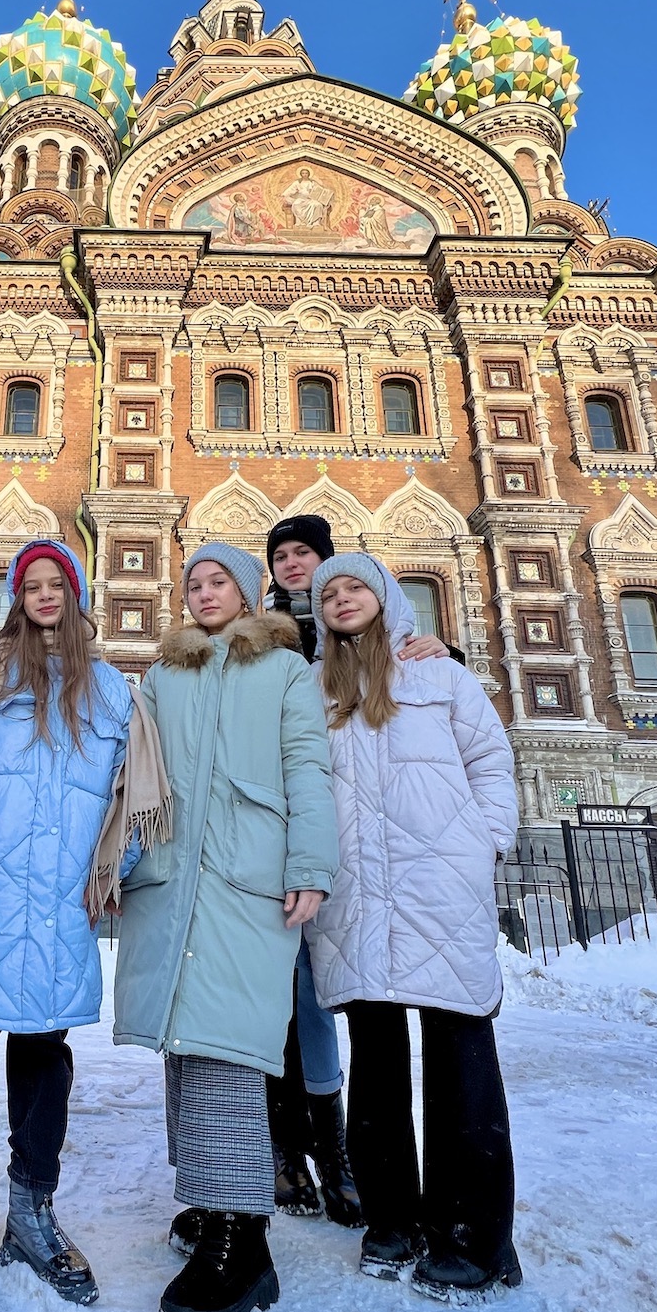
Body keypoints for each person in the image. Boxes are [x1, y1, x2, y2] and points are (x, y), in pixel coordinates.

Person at [0, 539, 170, 1305]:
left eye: (54, 582)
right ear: (16, 597)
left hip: (63, 891)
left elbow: (139, 792)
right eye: (28, 584)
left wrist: (113, 872)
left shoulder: (108, 689)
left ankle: (32, 1205)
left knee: (43, 1049)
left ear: (75, 591)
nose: (41, 594)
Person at [114, 542, 337, 1312]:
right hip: (173, 878)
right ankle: (212, 1204)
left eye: (220, 582)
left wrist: (311, 862)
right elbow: (131, 771)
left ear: (248, 596)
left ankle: (244, 1238)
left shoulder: (281, 672)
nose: (205, 592)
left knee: (228, 1046)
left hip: (248, 876)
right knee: (186, 1042)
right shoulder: (163, 676)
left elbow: (309, 767)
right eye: (193, 583)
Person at [304, 554, 522, 1304]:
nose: (341, 599)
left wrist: (483, 841)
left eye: (354, 586)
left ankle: (476, 1238)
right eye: (327, 593)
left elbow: (492, 761)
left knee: (462, 1053)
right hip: (357, 896)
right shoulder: (313, 690)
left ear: (385, 596)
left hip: (440, 884)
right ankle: (393, 1223)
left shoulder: (439, 675)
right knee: (377, 1061)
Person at [262, 516, 448, 1229]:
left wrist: (442, 647)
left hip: (361, 839)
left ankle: (334, 1150)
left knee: (324, 1001)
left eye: (304, 552)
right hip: (285, 831)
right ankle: (285, 1148)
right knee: (277, 997)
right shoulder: (267, 634)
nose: (292, 565)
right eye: (280, 556)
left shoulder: (377, 631)